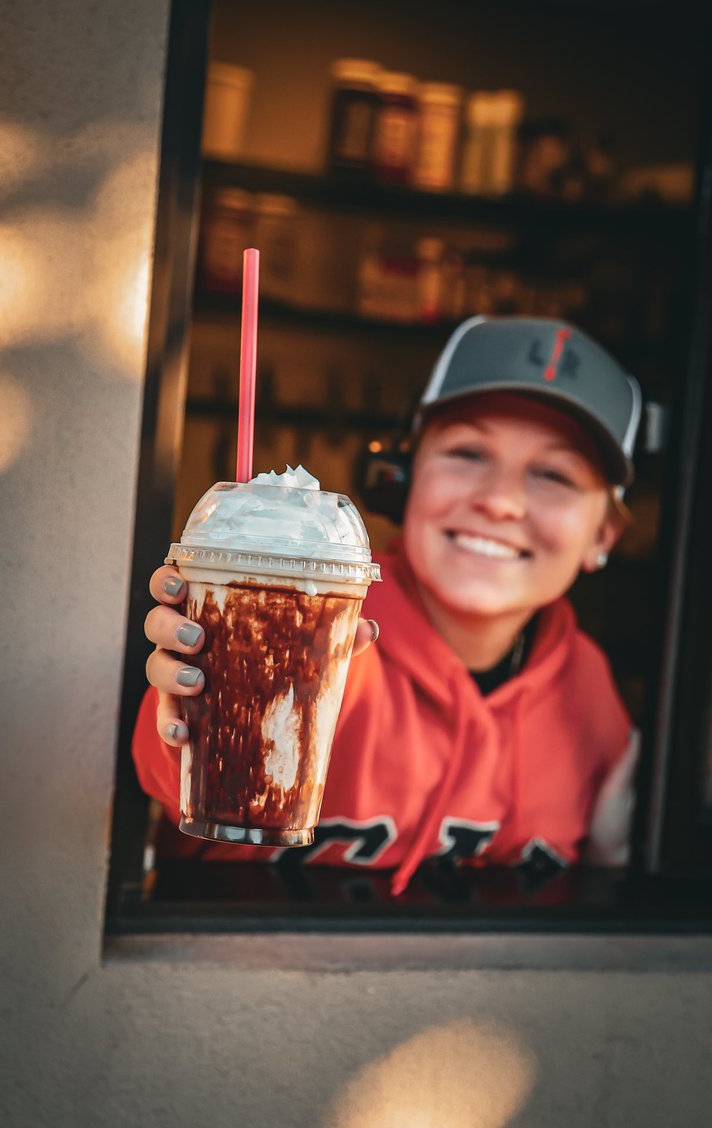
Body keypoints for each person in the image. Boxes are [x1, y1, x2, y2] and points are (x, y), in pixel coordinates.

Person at [133, 315, 642, 895]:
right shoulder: (316, 631)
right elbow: (167, 778)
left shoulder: (592, 694)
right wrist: (188, 704)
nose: (500, 502)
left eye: (553, 474)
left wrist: (613, 861)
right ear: (402, 477)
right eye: (469, 452)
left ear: (604, 535)